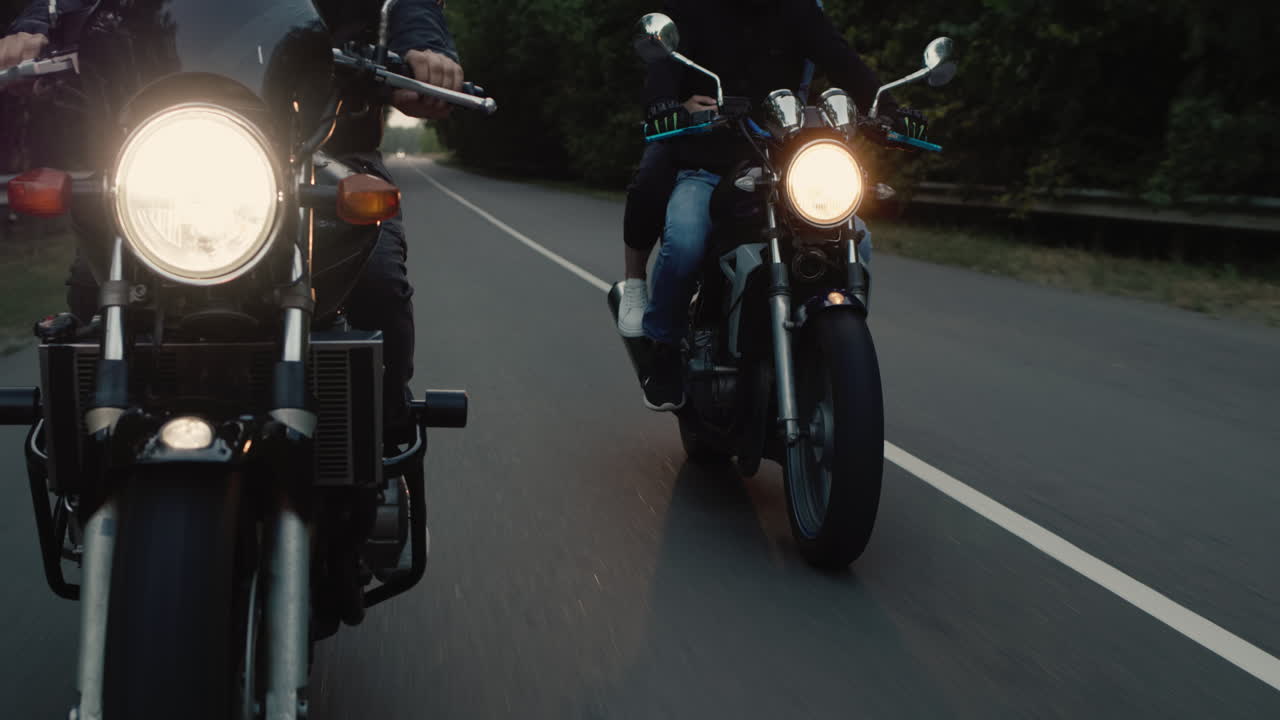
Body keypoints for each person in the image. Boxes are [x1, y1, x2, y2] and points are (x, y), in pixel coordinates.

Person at [0, 0, 464, 444]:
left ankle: (387, 431)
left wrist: (423, 49)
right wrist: (34, 27)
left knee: (376, 279)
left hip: (323, 145)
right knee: (91, 282)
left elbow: (404, 4)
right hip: (167, 147)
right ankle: (83, 447)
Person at [634, 0, 919, 411]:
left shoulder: (798, 9)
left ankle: (829, 352)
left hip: (785, 165)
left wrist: (888, 111)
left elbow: (842, 60)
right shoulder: (693, 8)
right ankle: (662, 350)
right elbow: (662, 71)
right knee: (685, 243)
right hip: (709, 162)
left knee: (861, 240)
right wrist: (666, 106)